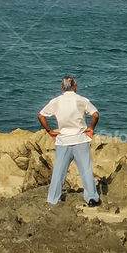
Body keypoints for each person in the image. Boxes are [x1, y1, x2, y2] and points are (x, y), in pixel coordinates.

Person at [37, 75, 101, 207]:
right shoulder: (82, 100)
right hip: (80, 139)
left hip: (63, 141)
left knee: (59, 171)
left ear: (62, 88)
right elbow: (95, 115)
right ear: (76, 87)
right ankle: (92, 199)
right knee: (86, 170)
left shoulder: (56, 101)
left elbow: (41, 115)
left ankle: (53, 200)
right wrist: (91, 128)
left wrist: (49, 131)